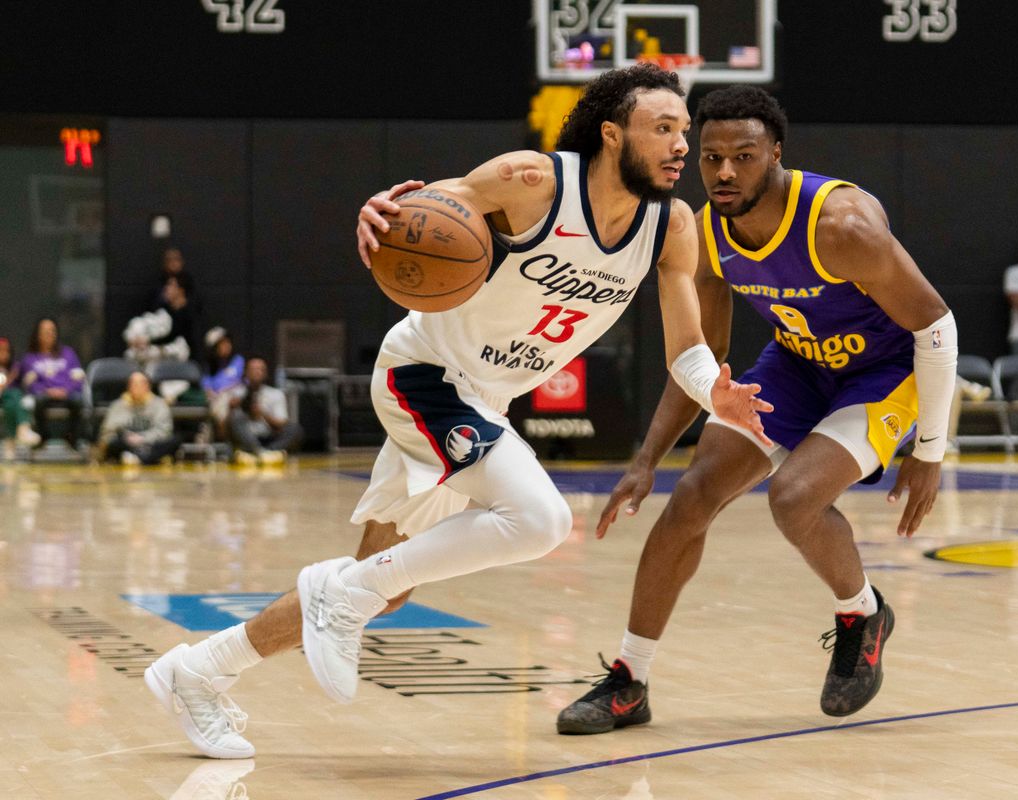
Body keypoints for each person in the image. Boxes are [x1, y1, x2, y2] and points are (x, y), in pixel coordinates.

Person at [143, 64, 770, 759]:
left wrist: (711, 387)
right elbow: (429, 207)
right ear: (613, 134)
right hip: (425, 377)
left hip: (483, 399)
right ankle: (337, 594)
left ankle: (197, 673)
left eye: (684, 131)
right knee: (539, 519)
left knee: (384, 586)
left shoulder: (672, 224)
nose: (682, 145)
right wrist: (381, 212)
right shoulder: (533, 181)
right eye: (663, 129)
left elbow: (686, 347)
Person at [556, 86, 956, 734]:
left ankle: (861, 614)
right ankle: (630, 680)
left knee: (794, 498)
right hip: (798, 364)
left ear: (775, 153)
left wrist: (929, 452)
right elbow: (702, 358)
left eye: (742, 156)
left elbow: (936, 327)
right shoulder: (707, 232)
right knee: (691, 497)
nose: (723, 172)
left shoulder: (841, 224)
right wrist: (647, 458)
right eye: (711, 157)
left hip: (882, 372)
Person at [17, 318, 86, 449]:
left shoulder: (68, 353)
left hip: (67, 393)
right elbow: (30, 385)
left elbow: (78, 378)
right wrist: (46, 390)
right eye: (46, 331)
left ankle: (72, 437)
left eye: (52, 331)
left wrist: (66, 390)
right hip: (44, 394)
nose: (50, 334)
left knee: (78, 400)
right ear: (38, 334)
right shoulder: (30, 358)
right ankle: (43, 437)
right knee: (37, 400)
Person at [229, 357, 304, 465]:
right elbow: (226, 427)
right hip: (247, 438)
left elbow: (281, 423)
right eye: (253, 369)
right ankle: (261, 452)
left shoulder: (276, 394)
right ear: (246, 372)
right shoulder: (236, 393)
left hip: (269, 437)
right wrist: (231, 409)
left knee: (295, 429)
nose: (256, 372)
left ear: (266, 373)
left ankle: (265, 452)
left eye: (260, 369)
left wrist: (263, 414)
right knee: (235, 419)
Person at [98, 371, 177, 465]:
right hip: (127, 443)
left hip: (151, 443)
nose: (137, 387)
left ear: (148, 386)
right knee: (113, 443)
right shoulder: (118, 405)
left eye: (141, 383)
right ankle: (149, 458)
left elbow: (165, 431)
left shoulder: (159, 404)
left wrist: (143, 438)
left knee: (175, 440)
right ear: (128, 386)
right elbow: (107, 431)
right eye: (134, 383)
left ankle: (136, 458)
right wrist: (128, 437)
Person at [0, 337, 41, 458]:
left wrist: (28, 379)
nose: (4, 354)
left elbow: (25, 382)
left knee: (12, 400)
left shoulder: (15, 367)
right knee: (13, 394)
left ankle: (11, 442)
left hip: (10, 401)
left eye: (6, 351)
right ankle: (22, 429)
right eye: (1, 350)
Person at [201, 327, 245, 437]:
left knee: (223, 400)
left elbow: (241, 381)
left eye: (227, 342)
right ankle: (220, 435)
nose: (226, 346)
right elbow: (206, 387)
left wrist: (224, 391)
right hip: (217, 399)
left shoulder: (238, 360)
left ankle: (220, 435)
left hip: (236, 394)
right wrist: (212, 393)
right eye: (221, 344)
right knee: (216, 402)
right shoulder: (210, 366)